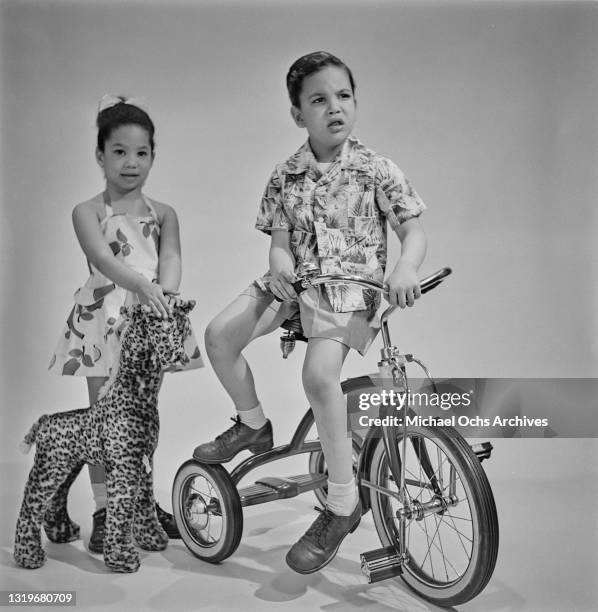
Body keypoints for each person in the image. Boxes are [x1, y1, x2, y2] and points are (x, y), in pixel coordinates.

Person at [194, 51, 427, 574]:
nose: (334, 107)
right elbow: (280, 244)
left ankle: (343, 503)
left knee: (320, 377)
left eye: (343, 95)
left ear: (355, 102)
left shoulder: (375, 169)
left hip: (351, 291)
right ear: (298, 114)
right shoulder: (285, 176)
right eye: (318, 100)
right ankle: (253, 424)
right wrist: (278, 267)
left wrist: (405, 269)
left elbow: (413, 230)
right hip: (296, 285)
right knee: (217, 336)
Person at [48, 94, 204, 553]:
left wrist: (166, 296)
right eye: (119, 151)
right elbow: (101, 257)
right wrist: (142, 286)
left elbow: (171, 256)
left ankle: (137, 502)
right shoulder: (88, 211)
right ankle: (103, 507)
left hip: (149, 321)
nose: (131, 162)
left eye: (141, 152)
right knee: (103, 420)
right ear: (100, 155)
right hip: (103, 320)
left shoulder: (164, 213)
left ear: (153, 155)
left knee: (140, 418)